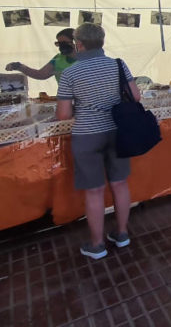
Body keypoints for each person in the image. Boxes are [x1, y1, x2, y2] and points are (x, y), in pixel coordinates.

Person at [56, 23, 140, 260]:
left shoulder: (70, 73)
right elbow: (135, 96)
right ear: (102, 42)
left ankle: (97, 245)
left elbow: (63, 115)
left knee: (94, 192)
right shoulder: (117, 64)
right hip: (117, 131)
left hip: (87, 135)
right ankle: (122, 234)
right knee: (120, 184)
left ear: (79, 44)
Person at [6, 28, 77, 83]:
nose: (61, 46)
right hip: (66, 100)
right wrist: (20, 66)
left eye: (64, 43)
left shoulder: (87, 59)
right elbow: (41, 74)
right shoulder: (58, 59)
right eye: (59, 44)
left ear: (76, 42)